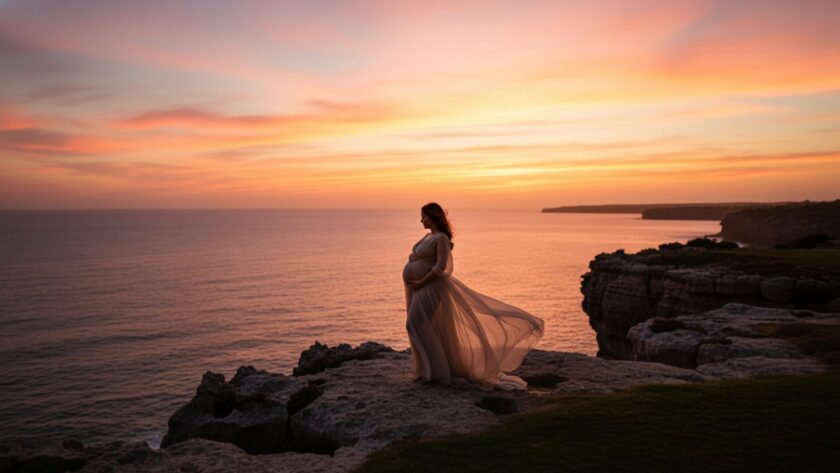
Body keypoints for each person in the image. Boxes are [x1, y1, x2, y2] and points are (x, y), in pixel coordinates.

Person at [403, 202, 545, 391]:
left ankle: (437, 373)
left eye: (424, 217)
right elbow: (424, 257)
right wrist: (414, 260)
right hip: (418, 287)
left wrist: (421, 282)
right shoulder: (428, 237)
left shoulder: (441, 238)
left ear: (434, 217)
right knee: (424, 326)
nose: (421, 220)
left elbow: (441, 267)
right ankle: (427, 371)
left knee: (415, 324)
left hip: (431, 287)